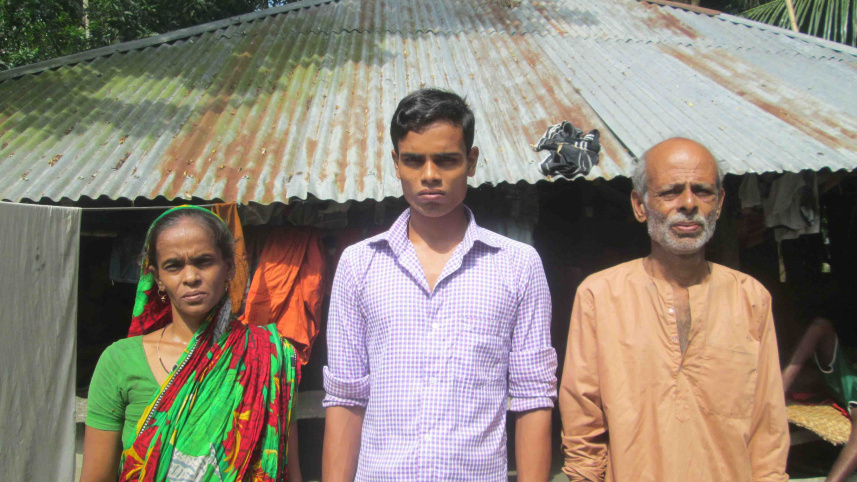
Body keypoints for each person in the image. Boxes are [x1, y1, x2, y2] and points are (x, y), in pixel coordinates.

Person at [321, 88, 557, 482]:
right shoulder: (359, 265)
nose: (429, 175)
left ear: (472, 161)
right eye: (414, 160)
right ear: (396, 163)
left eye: (446, 160)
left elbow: (533, 396)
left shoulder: (518, 266)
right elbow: (346, 397)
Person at [559, 138, 789, 482]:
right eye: (670, 192)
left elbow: (768, 428)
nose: (688, 204)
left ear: (720, 203)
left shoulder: (750, 298)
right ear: (640, 205)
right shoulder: (600, 295)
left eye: (703, 191)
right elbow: (583, 423)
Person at [80, 205, 302, 482]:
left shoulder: (269, 357)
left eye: (204, 261)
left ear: (230, 267)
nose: (190, 277)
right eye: (173, 266)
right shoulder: (119, 361)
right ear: (157, 278)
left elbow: (288, 470)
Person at [782, 314, 857, 482]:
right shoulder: (845, 374)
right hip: (843, 372)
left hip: (845, 383)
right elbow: (820, 327)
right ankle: (776, 392)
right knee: (820, 325)